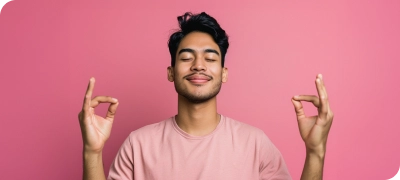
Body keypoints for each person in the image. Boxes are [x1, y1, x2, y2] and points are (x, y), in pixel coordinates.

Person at [78, 12, 334, 180]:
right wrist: (92, 151)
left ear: (223, 73)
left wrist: (315, 151)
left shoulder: (255, 144)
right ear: (171, 72)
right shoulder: (138, 145)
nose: (198, 65)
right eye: (187, 57)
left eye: (210, 58)